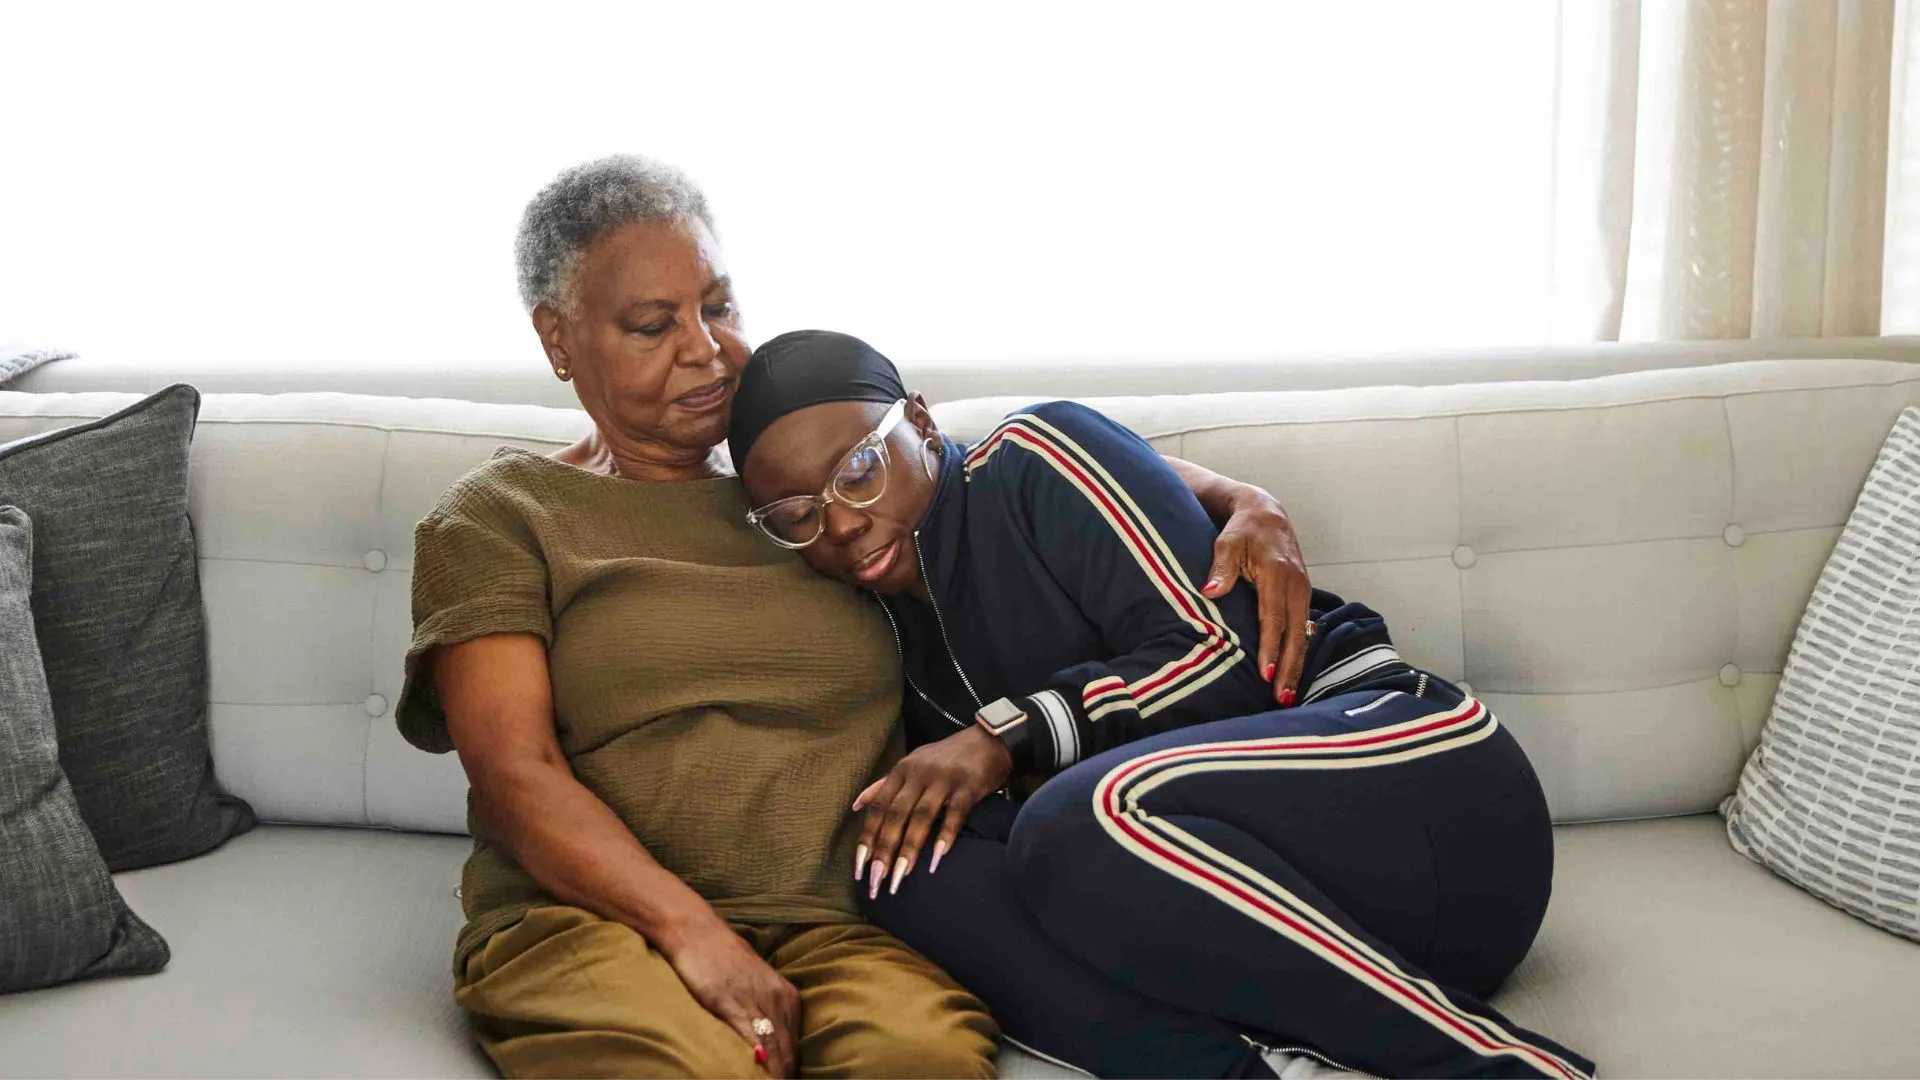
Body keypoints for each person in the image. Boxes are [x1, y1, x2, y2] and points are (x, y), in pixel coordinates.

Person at [397, 154, 1320, 1078]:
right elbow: (516, 775)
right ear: (558, 339)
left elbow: (976, 468)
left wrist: (1243, 499)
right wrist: (696, 936)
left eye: (718, 306)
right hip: (590, 921)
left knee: (922, 1063)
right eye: (652, 324)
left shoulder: (805, 494)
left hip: (842, 921)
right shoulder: (503, 516)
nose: (706, 349)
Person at [730, 330, 1598, 1080]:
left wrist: (1006, 734)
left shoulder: (1033, 457)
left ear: (920, 422)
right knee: (902, 862)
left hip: (1428, 796)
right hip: (1268, 911)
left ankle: (1501, 1067)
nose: (839, 524)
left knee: (1078, 818)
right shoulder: (873, 626)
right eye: (796, 514)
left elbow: (1226, 662)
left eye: (859, 470)